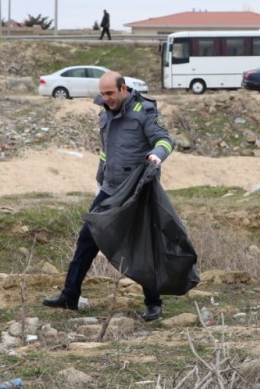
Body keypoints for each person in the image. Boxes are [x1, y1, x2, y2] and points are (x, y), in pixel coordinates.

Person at [42, 71, 175, 322]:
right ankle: (70, 295)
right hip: (109, 189)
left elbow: (165, 140)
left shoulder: (145, 111)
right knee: (87, 240)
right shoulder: (105, 112)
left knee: (142, 246)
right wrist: (101, 174)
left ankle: (153, 304)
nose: (106, 98)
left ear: (123, 89)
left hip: (137, 191)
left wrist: (156, 156)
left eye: (110, 93)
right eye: (102, 94)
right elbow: (107, 150)